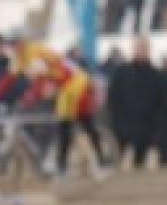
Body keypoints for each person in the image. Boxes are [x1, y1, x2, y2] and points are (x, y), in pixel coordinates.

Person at [12, 37, 108, 178]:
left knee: (73, 125)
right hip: (68, 87)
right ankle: (66, 164)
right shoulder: (31, 56)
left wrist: (26, 99)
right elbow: (41, 82)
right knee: (71, 126)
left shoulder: (36, 56)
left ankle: (95, 160)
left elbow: (41, 82)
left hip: (75, 87)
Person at [105, 36, 164, 169]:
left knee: (140, 162)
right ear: (133, 49)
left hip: (146, 124)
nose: (141, 51)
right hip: (123, 122)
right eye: (139, 48)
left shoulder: (155, 74)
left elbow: (159, 100)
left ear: (148, 50)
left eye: (144, 48)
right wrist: (116, 118)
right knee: (115, 160)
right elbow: (113, 97)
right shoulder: (121, 72)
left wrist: (155, 123)